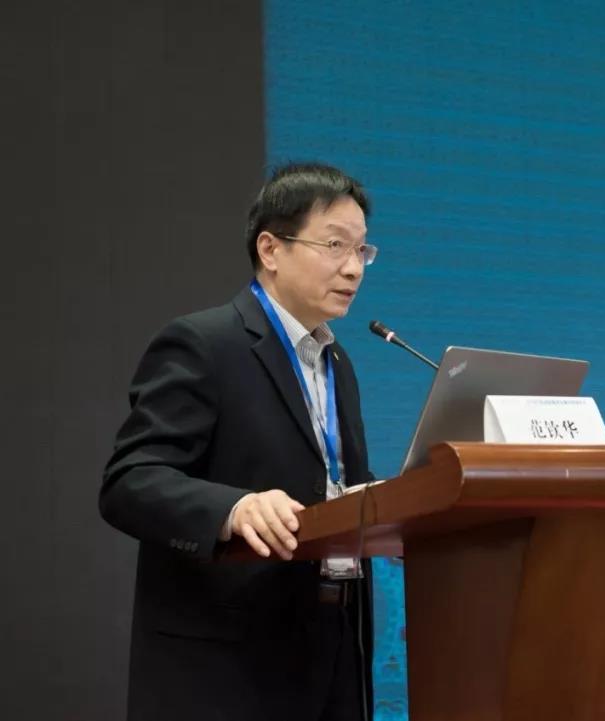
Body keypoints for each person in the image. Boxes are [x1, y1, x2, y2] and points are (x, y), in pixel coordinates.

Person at [100, 162, 377, 721]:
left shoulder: (337, 361)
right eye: (334, 245)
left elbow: (331, 481)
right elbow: (130, 481)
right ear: (271, 249)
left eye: (361, 250)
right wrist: (233, 508)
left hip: (331, 647)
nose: (353, 268)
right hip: (228, 664)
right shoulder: (203, 343)